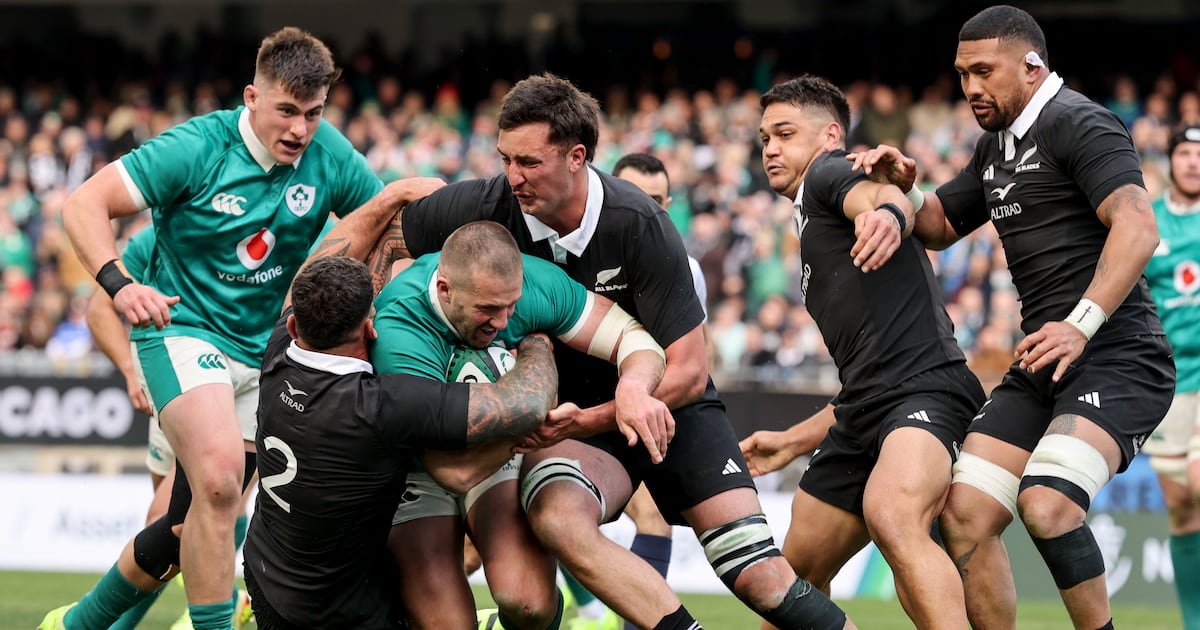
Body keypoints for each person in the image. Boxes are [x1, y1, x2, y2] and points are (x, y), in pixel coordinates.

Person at [380, 73, 853, 630]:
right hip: (575, 424)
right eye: (505, 158)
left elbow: (690, 372)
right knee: (557, 521)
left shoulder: (640, 224)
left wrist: (621, 402)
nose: (513, 177)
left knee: (758, 574)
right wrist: (357, 316)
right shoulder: (484, 204)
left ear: (577, 157)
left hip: (666, 403)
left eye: (529, 162)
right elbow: (388, 236)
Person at [42, 26, 437, 630]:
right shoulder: (196, 148)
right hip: (183, 331)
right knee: (221, 484)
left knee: (185, 526)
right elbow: (81, 205)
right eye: (286, 110)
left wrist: (398, 272)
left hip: (268, 355)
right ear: (251, 98)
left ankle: (77, 625)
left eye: (313, 113)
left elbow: (386, 222)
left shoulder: (327, 153)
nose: (299, 130)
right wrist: (123, 285)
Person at [850, 6, 1174, 628]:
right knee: (963, 515)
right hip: (1046, 359)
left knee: (1048, 505)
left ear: (1031, 67)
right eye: (962, 73)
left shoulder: (1078, 121)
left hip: (1119, 353)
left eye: (983, 71)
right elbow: (940, 227)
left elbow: (1138, 225)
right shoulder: (996, 144)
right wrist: (905, 188)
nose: (970, 87)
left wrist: (1080, 322)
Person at [733, 75, 984, 630]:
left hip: (928, 389)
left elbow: (879, 194)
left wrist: (891, 215)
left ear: (828, 138)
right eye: (763, 138)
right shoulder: (809, 216)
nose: (770, 147)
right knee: (789, 586)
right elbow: (868, 378)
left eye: (784, 133)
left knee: (893, 516)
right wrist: (793, 441)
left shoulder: (828, 174)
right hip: (865, 409)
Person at [243, 248, 563, 630]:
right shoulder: (386, 405)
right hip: (345, 612)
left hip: (266, 580)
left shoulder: (278, 355)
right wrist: (537, 345)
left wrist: (390, 199)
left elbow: (328, 259)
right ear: (371, 328)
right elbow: (523, 404)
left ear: (294, 327)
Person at [375, 220, 671, 630]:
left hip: (495, 450)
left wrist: (635, 387)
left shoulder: (532, 283)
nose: (502, 320)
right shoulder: (400, 330)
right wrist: (535, 378)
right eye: (487, 310)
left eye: (511, 306)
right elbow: (452, 471)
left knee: (528, 603)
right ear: (445, 290)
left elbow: (634, 339)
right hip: (420, 467)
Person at [84, 225, 253, 630]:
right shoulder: (159, 236)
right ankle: (229, 600)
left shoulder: (286, 224)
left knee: (180, 515)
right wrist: (129, 371)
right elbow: (98, 309)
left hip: (239, 378)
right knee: (169, 525)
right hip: (173, 374)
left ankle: (94, 624)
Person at [1142, 124, 1200, 629]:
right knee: (1181, 507)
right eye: (1185, 153)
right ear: (1171, 160)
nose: (1194, 162)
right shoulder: (1150, 222)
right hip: (1171, 381)